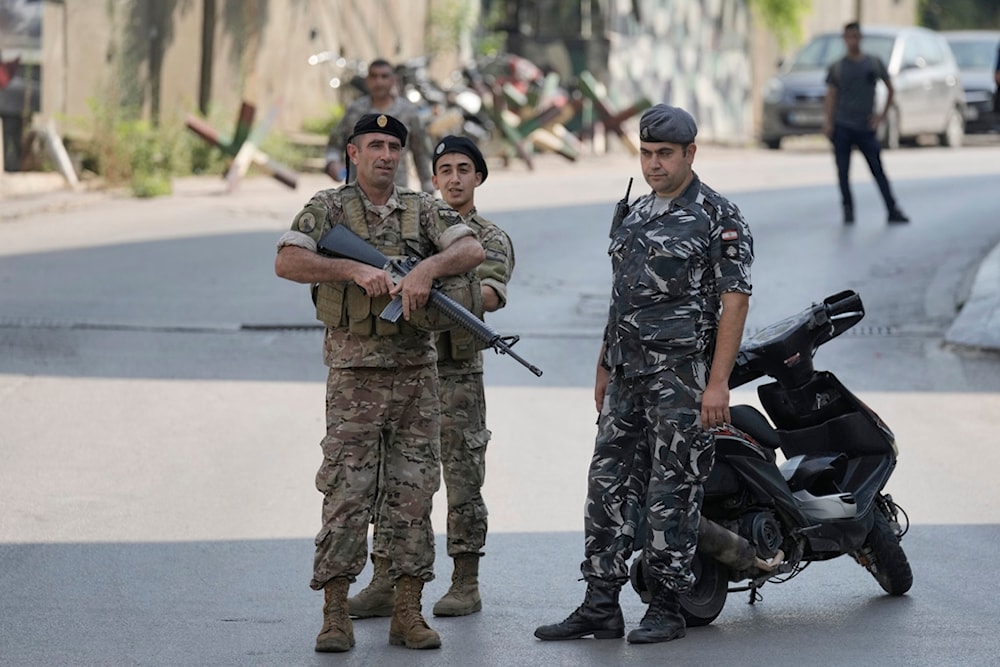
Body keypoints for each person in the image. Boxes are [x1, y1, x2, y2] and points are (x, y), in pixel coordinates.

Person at [533, 104, 753, 645]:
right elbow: (620, 297)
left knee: (672, 490)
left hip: (681, 378)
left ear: (690, 154)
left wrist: (718, 382)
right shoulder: (634, 215)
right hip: (628, 376)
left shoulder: (718, 217)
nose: (654, 165)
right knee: (605, 485)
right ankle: (600, 604)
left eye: (665, 155)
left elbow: (735, 302)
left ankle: (668, 604)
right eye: (647, 154)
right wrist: (604, 363)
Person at [275, 112, 485, 653]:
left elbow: (471, 249)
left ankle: (407, 611)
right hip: (353, 381)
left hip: (418, 377)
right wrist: (350, 271)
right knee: (346, 495)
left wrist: (425, 271)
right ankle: (335, 614)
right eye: (375, 146)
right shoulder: (327, 208)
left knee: (413, 495)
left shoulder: (423, 208)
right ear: (353, 152)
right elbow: (287, 260)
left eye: (393, 146)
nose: (386, 155)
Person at [346, 135, 515, 620]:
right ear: (433, 179)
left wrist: (428, 281)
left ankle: (465, 580)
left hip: (457, 372)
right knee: (394, 479)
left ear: (478, 177)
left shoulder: (489, 238)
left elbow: (487, 297)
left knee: (463, 478)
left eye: (465, 169)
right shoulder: (412, 230)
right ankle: (385, 578)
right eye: (445, 170)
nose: (455, 178)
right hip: (404, 369)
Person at [822, 21, 909, 225]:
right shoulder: (838, 67)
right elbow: (831, 95)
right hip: (843, 126)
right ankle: (848, 210)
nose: (852, 40)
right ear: (844, 39)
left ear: (860, 38)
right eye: (848, 37)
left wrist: (881, 116)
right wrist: (828, 122)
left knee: (878, 170)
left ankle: (892, 208)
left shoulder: (873, 63)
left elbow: (890, 88)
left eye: (855, 36)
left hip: (865, 126)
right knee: (843, 172)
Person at [324, 58, 435, 193]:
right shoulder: (355, 110)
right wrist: (333, 163)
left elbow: (421, 154)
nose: (379, 82)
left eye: (384, 76)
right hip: (357, 196)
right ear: (367, 80)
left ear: (393, 80)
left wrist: (427, 187)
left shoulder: (408, 112)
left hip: (397, 196)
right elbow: (335, 145)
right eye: (374, 76)